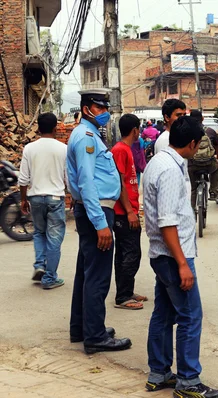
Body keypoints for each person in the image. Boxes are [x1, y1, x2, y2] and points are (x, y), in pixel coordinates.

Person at [142, 116, 218, 398]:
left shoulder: (159, 161)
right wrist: (182, 264)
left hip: (162, 255)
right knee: (190, 316)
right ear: (192, 143)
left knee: (163, 313)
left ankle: (159, 372)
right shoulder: (170, 170)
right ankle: (188, 381)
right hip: (172, 256)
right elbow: (167, 222)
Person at [67, 88, 132, 354]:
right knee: (98, 277)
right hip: (97, 212)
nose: (104, 112)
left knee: (86, 272)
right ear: (86, 109)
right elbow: (86, 182)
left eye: (106, 107)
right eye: (99, 107)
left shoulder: (88, 134)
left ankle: (82, 328)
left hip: (92, 211)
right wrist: (100, 224)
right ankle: (95, 336)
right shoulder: (86, 138)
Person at [18, 112, 67, 289]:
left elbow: (23, 178)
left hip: (36, 197)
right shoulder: (63, 149)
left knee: (39, 233)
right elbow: (68, 177)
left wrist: (24, 199)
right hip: (55, 198)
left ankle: (40, 265)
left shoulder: (29, 148)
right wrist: (73, 197)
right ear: (56, 128)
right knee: (54, 239)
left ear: (38, 129)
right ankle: (49, 278)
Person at [111, 114, 145, 310]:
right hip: (123, 212)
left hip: (128, 209)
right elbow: (119, 183)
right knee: (131, 253)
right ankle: (123, 296)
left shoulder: (126, 149)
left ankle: (127, 291)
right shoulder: (120, 151)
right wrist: (130, 212)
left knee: (127, 252)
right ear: (134, 130)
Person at [188, 110, 218, 203]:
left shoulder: (186, 131)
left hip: (193, 165)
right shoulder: (209, 130)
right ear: (202, 119)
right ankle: (213, 191)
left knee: (194, 189)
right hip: (209, 163)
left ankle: (193, 212)